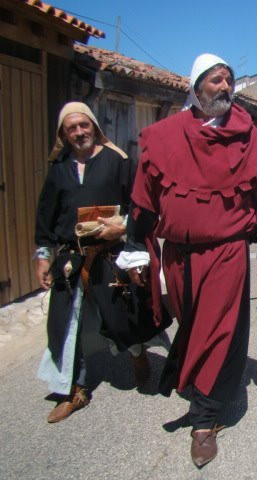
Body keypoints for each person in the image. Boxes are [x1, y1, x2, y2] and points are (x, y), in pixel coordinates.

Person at [116, 53, 257, 468]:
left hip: (226, 255)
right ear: (196, 87)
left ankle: (204, 421)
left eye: (229, 79)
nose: (224, 86)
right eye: (216, 80)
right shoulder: (166, 137)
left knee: (217, 332)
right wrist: (133, 242)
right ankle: (197, 380)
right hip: (178, 258)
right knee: (192, 324)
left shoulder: (250, 138)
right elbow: (144, 200)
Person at [34, 102, 165, 424]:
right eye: (71, 128)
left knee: (122, 317)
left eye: (83, 125)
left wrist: (123, 228)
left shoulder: (117, 161)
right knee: (64, 325)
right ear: (63, 134)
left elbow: (139, 205)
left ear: (94, 126)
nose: (79, 132)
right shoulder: (59, 167)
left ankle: (137, 356)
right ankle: (74, 390)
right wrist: (42, 256)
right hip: (70, 257)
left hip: (109, 253)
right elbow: (45, 215)